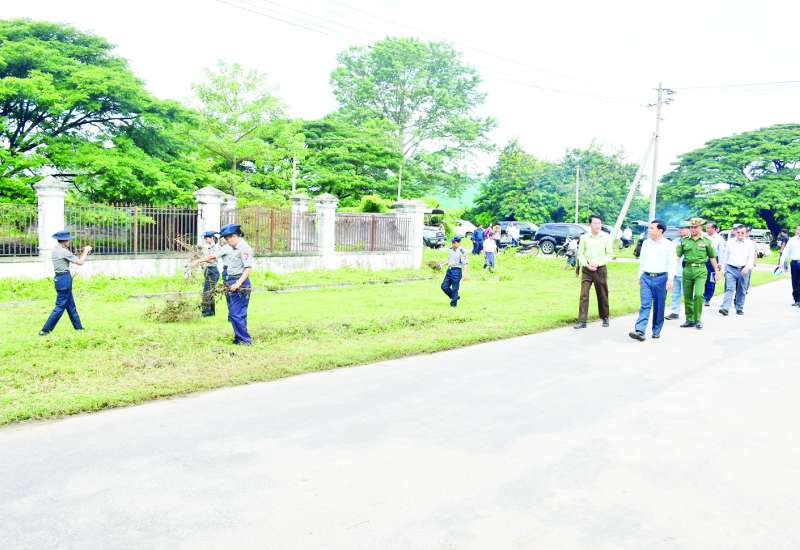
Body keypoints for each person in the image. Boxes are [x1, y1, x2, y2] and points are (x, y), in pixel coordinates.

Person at [192, 223, 254, 344]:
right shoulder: (228, 247)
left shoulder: (244, 249)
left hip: (239, 283)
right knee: (236, 313)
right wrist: (198, 261)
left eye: (227, 238)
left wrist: (238, 283)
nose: (226, 241)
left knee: (236, 314)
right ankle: (239, 338)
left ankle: (245, 340)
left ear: (234, 236)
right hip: (228, 282)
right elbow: (213, 256)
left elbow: (248, 268)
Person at [629, 220, 676, 341]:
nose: (649, 231)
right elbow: (642, 260)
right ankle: (640, 330)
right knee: (645, 305)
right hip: (646, 278)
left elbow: (672, 263)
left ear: (660, 230)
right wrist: (640, 276)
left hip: (661, 279)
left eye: (651, 228)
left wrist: (670, 279)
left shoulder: (669, 245)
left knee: (659, 306)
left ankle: (656, 330)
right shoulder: (646, 243)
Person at [39, 231, 92, 336]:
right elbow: (80, 262)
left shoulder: (55, 249)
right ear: (65, 240)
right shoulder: (64, 252)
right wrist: (86, 251)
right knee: (60, 306)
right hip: (64, 280)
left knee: (71, 306)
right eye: (68, 240)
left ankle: (79, 328)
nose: (69, 241)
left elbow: (67, 261)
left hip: (60, 279)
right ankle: (45, 330)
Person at [675, 217, 721, 329]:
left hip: (701, 270)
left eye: (695, 227)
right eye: (691, 227)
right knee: (687, 296)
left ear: (701, 227)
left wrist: (717, 272)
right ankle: (689, 319)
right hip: (687, 269)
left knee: (699, 295)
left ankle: (698, 319)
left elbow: (712, 257)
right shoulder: (684, 241)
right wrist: (670, 270)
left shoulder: (706, 241)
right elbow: (677, 257)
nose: (693, 229)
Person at [574, 215, 613, 329]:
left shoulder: (606, 237)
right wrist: (586, 264)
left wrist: (598, 263)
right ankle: (582, 321)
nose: (598, 225)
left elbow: (609, 254)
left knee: (602, 294)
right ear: (589, 225)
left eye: (599, 223)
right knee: (584, 295)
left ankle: (605, 317)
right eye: (595, 223)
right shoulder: (584, 237)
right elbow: (580, 253)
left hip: (600, 269)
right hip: (587, 269)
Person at [718, 225, 755, 316]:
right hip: (731, 268)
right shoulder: (730, 242)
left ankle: (739, 307)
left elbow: (751, 258)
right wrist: (723, 269)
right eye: (738, 232)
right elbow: (725, 256)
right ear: (735, 232)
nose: (740, 234)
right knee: (729, 288)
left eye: (742, 233)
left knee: (741, 290)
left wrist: (747, 267)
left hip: (743, 269)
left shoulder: (750, 244)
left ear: (746, 233)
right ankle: (725, 308)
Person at [666, 222, 690, 320]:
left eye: (683, 228)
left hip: (686, 271)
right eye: (680, 228)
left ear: (689, 229)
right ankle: (674, 312)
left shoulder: (692, 241)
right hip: (675, 271)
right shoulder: (675, 241)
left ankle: (690, 314)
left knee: (687, 295)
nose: (680, 230)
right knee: (675, 293)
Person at [702, 221, 725, 306]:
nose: (707, 229)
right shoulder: (703, 237)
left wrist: (720, 264)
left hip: (714, 262)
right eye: (706, 227)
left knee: (711, 280)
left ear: (714, 229)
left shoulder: (719, 239)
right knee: (702, 278)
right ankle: (701, 296)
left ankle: (707, 298)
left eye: (709, 228)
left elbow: (721, 252)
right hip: (703, 260)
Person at [199, 230, 221, 317]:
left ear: (211, 238)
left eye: (206, 238)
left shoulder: (216, 247)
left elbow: (212, 260)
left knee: (207, 292)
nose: (205, 240)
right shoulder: (209, 248)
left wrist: (202, 259)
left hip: (213, 271)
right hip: (208, 270)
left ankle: (206, 312)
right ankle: (211, 312)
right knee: (210, 291)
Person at [441, 236, 467, 307]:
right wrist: (442, 265)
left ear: (458, 243)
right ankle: (455, 296)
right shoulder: (451, 250)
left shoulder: (462, 252)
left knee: (455, 288)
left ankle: (453, 305)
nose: (452, 244)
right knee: (444, 286)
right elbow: (449, 260)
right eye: (452, 243)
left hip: (456, 271)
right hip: (449, 271)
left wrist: (465, 274)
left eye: (454, 243)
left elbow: (465, 263)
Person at [779, 223, 800, 307]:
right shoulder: (792, 240)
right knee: (795, 282)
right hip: (795, 263)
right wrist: (781, 262)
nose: (799, 231)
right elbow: (786, 251)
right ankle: (797, 300)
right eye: (798, 229)